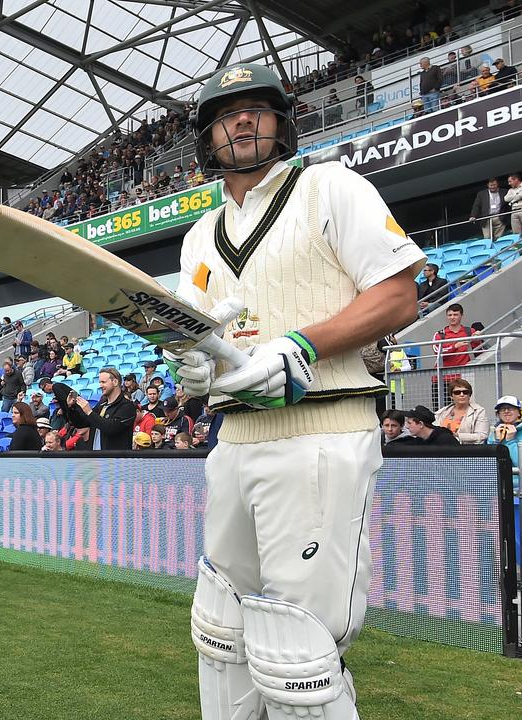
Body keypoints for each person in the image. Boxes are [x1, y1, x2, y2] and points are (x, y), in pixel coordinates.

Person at [166, 62, 425, 720]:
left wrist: (300, 344)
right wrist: (193, 371)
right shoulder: (200, 236)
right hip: (233, 443)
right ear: (208, 137)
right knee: (221, 634)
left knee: (298, 650)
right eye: (228, 112)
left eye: (258, 109)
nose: (244, 120)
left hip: (321, 430)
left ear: (282, 124)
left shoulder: (329, 188)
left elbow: (398, 294)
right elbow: (193, 339)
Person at [64, 367, 137, 451]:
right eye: (100, 382)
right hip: (98, 459)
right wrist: (71, 408)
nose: (100, 385)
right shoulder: (102, 404)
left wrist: (89, 412)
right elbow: (82, 424)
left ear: (115, 382)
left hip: (116, 461)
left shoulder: (127, 406)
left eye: (103, 382)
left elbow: (111, 428)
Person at [435, 378, 490, 444]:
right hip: (443, 450)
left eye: (465, 392)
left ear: (469, 395)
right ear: (451, 396)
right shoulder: (442, 412)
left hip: (467, 451)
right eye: (457, 392)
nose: (462, 395)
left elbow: (482, 436)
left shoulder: (479, 411)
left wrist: (458, 436)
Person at [433, 303, 480, 368]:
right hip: (444, 374)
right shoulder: (439, 334)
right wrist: (455, 346)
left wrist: (478, 339)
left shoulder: (470, 331)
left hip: (465, 373)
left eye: (455, 315)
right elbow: (437, 352)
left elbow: (478, 349)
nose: (452, 317)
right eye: (449, 315)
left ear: (462, 315)